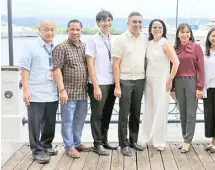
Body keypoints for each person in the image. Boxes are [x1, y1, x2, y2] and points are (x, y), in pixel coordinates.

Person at [19, 19, 58, 164]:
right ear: (39, 29)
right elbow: (25, 69)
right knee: (35, 124)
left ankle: (46, 145)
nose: (49, 32)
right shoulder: (30, 46)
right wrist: (26, 90)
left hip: (52, 92)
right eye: (46, 29)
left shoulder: (55, 46)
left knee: (50, 122)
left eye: (52, 29)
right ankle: (36, 150)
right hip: (35, 92)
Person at [139, 19, 179, 151]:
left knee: (160, 110)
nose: (157, 29)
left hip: (162, 80)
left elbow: (176, 62)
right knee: (149, 109)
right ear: (150, 29)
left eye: (160, 27)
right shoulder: (149, 43)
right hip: (149, 80)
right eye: (154, 27)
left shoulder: (165, 44)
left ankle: (159, 141)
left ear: (163, 29)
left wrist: (170, 79)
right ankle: (145, 137)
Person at [53, 19, 91, 159]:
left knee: (80, 119)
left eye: (78, 30)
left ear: (81, 31)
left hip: (82, 92)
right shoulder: (61, 47)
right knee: (67, 120)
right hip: (67, 93)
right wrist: (61, 90)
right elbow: (56, 70)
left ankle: (77, 142)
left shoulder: (85, 46)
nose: (75, 32)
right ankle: (69, 146)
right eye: (72, 29)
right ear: (67, 30)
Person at [112, 12, 147, 157]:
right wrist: (117, 85)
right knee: (124, 114)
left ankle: (133, 141)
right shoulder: (120, 39)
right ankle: (123, 144)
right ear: (128, 23)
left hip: (140, 79)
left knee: (136, 112)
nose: (137, 24)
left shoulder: (145, 39)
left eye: (140, 21)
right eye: (134, 22)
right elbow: (115, 64)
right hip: (125, 80)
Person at [86, 10, 118, 156]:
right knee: (97, 115)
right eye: (103, 20)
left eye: (109, 20)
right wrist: (96, 86)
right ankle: (97, 144)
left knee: (107, 114)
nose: (106, 23)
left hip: (111, 82)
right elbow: (90, 64)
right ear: (98, 23)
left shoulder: (114, 39)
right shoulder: (92, 40)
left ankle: (104, 140)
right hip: (98, 84)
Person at [170, 23, 204, 153]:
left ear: (190, 34)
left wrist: (200, 87)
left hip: (192, 82)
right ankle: (185, 138)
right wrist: (172, 88)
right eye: (182, 32)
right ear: (178, 34)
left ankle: (188, 141)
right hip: (178, 82)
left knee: (191, 113)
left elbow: (201, 69)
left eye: (187, 32)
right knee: (182, 113)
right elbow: (171, 68)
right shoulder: (174, 49)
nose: (184, 34)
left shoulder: (196, 48)